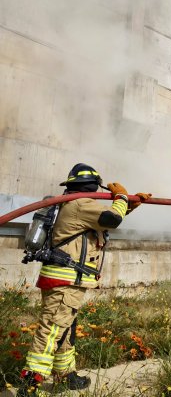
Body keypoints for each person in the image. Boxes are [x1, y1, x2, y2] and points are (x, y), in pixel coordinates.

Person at [18, 164, 149, 396]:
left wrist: (127, 206)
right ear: (92, 186)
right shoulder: (81, 204)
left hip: (64, 279)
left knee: (65, 328)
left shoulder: (72, 203)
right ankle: (31, 384)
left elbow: (100, 220)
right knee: (52, 330)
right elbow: (111, 219)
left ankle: (65, 375)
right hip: (65, 281)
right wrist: (121, 198)